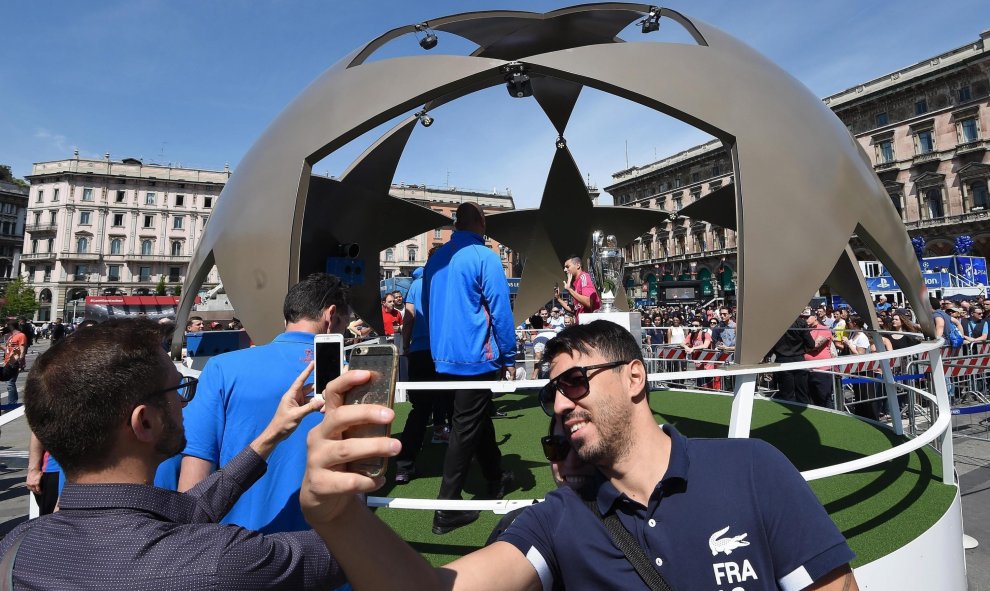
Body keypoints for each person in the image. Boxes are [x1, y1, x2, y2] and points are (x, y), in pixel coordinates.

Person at [299, 320, 859, 591]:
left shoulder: (752, 468)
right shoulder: (560, 518)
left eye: (575, 381)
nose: (561, 405)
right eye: (552, 392)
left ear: (635, 377)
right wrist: (336, 516)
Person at [0, 318, 345, 589]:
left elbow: (192, 509)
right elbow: (352, 555)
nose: (184, 401)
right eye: (179, 388)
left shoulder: (16, 547)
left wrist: (272, 434)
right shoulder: (220, 560)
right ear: (145, 422)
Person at [178, 272, 350, 533]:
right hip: (327, 549)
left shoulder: (222, 368)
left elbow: (193, 483)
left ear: (286, 319)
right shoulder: (354, 378)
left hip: (236, 551)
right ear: (331, 316)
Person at [421, 201, 516, 534]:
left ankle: (494, 476)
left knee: (473, 416)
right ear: (480, 221)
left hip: (444, 354)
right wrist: (509, 355)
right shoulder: (484, 256)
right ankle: (446, 507)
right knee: (465, 425)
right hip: (475, 354)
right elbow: (501, 309)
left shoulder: (435, 259)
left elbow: (426, 306)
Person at [395, 266, 452, 483]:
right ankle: (463, 462)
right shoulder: (445, 282)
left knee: (419, 410)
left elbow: (409, 317)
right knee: (455, 408)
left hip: (420, 351)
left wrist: (406, 344)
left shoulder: (415, 286)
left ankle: (404, 466)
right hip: (445, 351)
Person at [770, 311, 815, 404]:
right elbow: (811, 344)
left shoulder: (775, 323)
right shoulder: (800, 322)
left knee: (786, 395)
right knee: (803, 394)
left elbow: (770, 345)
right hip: (799, 360)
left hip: (782, 360)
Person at [804, 308, 835, 408]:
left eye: (807, 317)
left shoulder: (824, 329)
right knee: (812, 401)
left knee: (824, 399)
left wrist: (800, 347)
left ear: (815, 317)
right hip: (808, 370)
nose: (805, 319)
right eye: (803, 317)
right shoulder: (805, 330)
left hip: (822, 370)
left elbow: (815, 346)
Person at [554, 256, 601, 321]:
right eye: (564, 267)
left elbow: (589, 303)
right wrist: (559, 299)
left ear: (578, 265)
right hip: (581, 324)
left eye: (567, 267)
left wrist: (569, 290)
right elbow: (575, 309)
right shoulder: (575, 284)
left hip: (589, 324)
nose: (565, 270)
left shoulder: (584, 277)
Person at [2, 320, 26, 404]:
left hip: (14, 363)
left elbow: (22, 350)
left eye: (6, 326)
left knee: (10, 383)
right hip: (8, 361)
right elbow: (7, 349)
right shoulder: (11, 337)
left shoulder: (21, 335)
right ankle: (13, 402)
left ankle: (12, 403)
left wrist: (20, 363)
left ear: (11, 326)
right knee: (10, 383)